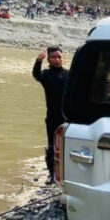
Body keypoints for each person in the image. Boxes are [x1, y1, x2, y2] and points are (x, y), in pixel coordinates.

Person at [33, 47, 69, 183]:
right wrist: (38, 61)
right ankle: (52, 174)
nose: (57, 60)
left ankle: (65, 173)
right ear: (48, 59)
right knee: (51, 145)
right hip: (52, 116)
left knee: (66, 144)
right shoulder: (46, 75)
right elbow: (36, 75)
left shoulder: (68, 74)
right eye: (54, 57)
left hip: (67, 116)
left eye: (59, 57)